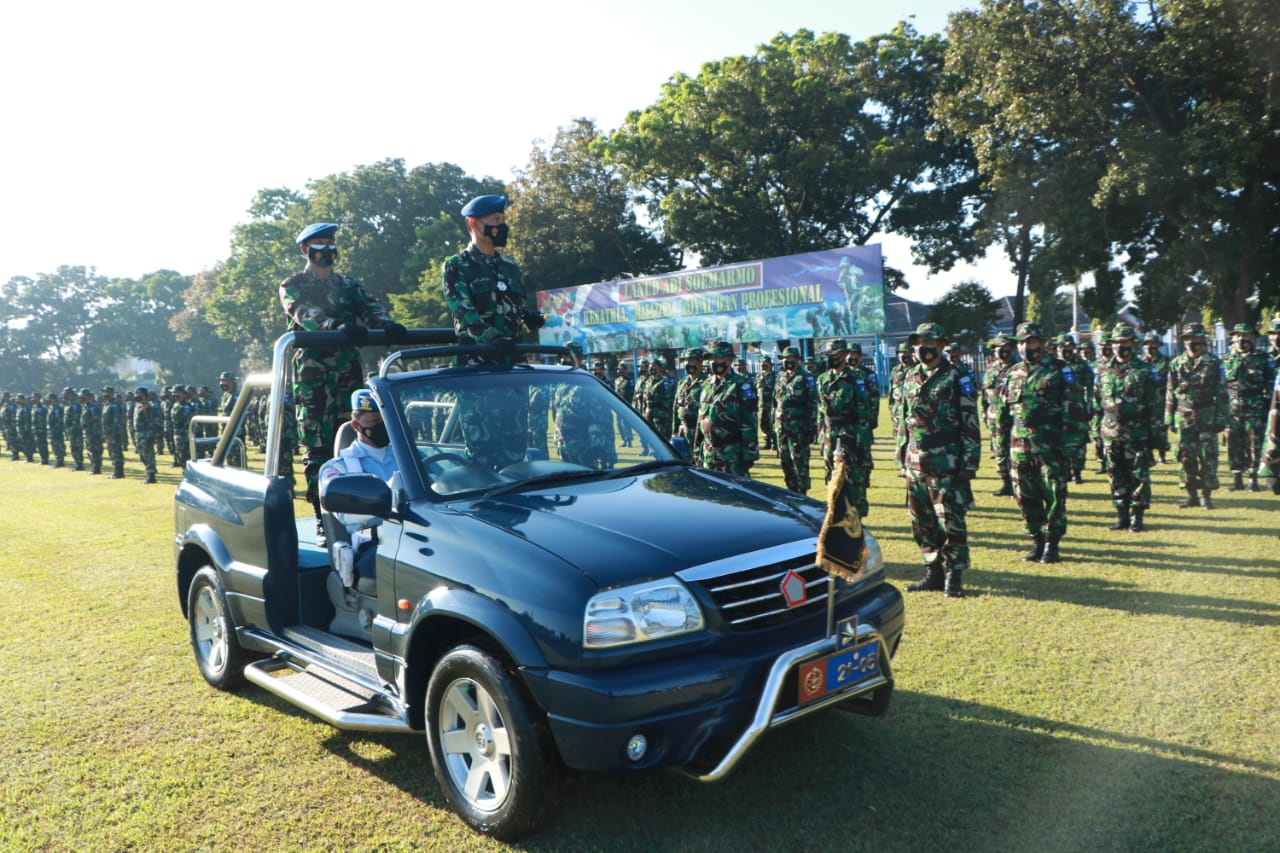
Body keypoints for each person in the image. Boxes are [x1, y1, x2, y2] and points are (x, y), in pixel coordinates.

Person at [281, 222, 407, 538]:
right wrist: (336, 326)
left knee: (355, 441)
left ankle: (361, 512)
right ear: (305, 250)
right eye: (319, 244)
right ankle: (324, 518)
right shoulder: (293, 284)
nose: (326, 249)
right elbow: (305, 314)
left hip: (348, 372)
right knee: (318, 448)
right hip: (314, 378)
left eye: (329, 243)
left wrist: (387, 325)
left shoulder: (348, 285)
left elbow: (370, 309)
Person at [897, 322, 980, 598]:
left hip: (946, 461)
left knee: (950, 520)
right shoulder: (910, 376)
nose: (922, 347)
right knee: (921, 520)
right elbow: (904, 420)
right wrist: (901, 454)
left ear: (942, 345)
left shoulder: (958, 376)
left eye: (928, 342)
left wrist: (969, 463)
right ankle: (933, 571)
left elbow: (970, 421)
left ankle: (954, 576)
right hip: (915, 460)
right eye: (918, 342)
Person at [999, 322, 1084, 563]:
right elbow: (1005, 414)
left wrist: (1073, 448)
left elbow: (1075, 411)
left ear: (1043, 344)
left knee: (1055, 496)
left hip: (1051, 447)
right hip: (1019, 448)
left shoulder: (1060, 371)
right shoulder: (1013, 373)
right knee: (1025, 497)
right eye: (1023, 343)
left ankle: (1052, 544)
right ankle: (1036, 540)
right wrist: (1003, 447)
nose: (1027, 347)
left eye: (1032, 342)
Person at [319, 390, 399, 594]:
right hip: (373, 543)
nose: (381, 426)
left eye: (384, 420)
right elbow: (347, 516)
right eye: (374, 422)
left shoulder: (406, 458)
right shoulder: (338, 468)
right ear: (356, 426)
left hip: (416, 535)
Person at [442, 195, 544, 348]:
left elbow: (518, 310)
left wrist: (530, 318)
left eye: (503, 220)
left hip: (513, 359)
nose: (502, 226)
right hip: (476, 362)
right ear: (473, 223)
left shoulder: (511, 268)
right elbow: (464, 313)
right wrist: (491, 338)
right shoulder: (457, 266)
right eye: (496, 220)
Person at [1096, 325, 1162, 531]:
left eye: (1124, 342)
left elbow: (1155, 403)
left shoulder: (1144, 370)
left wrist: (1156, 434)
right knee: (1115, 474)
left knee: (1138, 475)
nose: (1119, 346)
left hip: (1137, 431)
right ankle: (1122, 515)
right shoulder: (1102, 370)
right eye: (1116, 343)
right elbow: (1096, 401)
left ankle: (1137, 517)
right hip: (1110, 431)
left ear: (1133, 344)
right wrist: (1096, 430)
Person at [1166, 322, 1228, 508]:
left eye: (1196, 338)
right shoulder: (1176, 363)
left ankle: (1206, 496)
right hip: (1183, 416)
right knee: (1185, 457)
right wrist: (1168, 417)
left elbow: (1222, 392)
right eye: (1188, 339)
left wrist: (1222, 418)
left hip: (1207, 414)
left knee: (1208, 457)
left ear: (1203, 339)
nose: (1192, 342)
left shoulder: (1214, 363)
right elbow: (1170, 392)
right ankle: (1191, 495)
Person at [817, 339, 872, 517]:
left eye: (834, 354)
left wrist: (862, 444)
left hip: (850, 436)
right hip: (829, 436)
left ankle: (857, 518)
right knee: (832, 478)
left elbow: (864, 412)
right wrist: (821, 438)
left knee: (854, 479)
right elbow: (821, 411)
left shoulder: (856, 379)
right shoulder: (822, 379)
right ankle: (838, 515)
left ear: (844, 355)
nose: (830, 358)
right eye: (828, 355)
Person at [1223, 323, 1275, 492]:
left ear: (1253, 337)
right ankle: (1237, 479)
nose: (1242, 339)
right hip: (1232, 408)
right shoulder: (1226, 359)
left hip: (1255, 407)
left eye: (1246, 336)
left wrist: (1267, 406)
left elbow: (1270, 383)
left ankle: (1253, 479)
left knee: (1254, 443)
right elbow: (1220, 386)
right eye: (1238, 336)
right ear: (1233, 338)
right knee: (1233, 443)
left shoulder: (1263, 359)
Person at [697, 341, 759, 475]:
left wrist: (749, 454)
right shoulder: (707, 385)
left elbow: (750, 421)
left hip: (732, 454)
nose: (714, 362)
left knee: (735, 492)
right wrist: (698, 448)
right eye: (712, 359)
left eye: (719, 358)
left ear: (730, 360)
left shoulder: (741, 385)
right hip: (709, 452)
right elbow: (701, 417)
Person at [773, 346, 817, 493]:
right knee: (785, 461)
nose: (787, 361)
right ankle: (790, 489)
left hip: (799, 428)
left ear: (798, 360)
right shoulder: (780, 378)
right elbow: (775, 403)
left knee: (800, 461)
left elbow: (812, 404)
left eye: (790, 358)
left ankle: (802, 491)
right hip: (782, 428)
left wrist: (810, 428)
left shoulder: (806, 378)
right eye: (785, 359)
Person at [981, 334, 1016, 496]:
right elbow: (984, 394)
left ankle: (1020, 484)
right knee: (999, 452)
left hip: (1014, 419)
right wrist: (984, 413)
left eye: (1006, 347)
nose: (1002, 351)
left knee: (1016, 453)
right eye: (998, 348)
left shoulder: (1018, 368)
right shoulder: (991, 369)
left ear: (1012, 349)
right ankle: (1006, 484)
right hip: (995, 418)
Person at [1140, 332, 1171, 463]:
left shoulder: (1165, 361)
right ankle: (1149, 455)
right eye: (1147, 344)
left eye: (1152, 344)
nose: (1149, 346)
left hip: (1160, 401)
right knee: (1145, 429)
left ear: (1158, 345)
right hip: (1143, 401)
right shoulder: (1139, 361)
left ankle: (1162, 454)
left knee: (1160, 429)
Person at [673, 347, 707, 450]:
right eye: (687, 361)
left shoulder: (707, 383)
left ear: (700, 362)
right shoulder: (682, 383)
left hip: (698, 431)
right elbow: (675, 408)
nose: (688, 364)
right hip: (682, 430)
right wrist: (674, 431)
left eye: (691, 360)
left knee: (697, 462)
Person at [133, 387, 162, 484]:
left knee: (148, 454)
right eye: (137, 394)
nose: (138, 395)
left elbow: (151, 420)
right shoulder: (137, 405)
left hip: (146, 433)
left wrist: (151, 434)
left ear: (145, 395)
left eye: (140, 394)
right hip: (139, 433)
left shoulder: (147, 406)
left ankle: (151, 475)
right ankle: (149, 472)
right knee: (142, 455)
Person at [102, 386, 127, 479]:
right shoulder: (107, 404)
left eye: (107, 392)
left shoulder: (115, 405)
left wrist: (115, 432)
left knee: (116, 451)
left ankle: (119, 471)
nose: (105, 394)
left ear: (112, 394)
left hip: (114, 432)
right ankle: (116, 470)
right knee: (112, 452)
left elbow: (118, 419)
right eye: (104, 392)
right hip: (108, 433)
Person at [758, 356, 778, 452]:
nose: (763, 365)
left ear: (770, 364)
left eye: (766, 363)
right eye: (762, 363)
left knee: (771, 423)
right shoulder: (759, 376)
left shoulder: (774, 376)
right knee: (763, 423)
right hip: (761, 404)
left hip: (771, 403)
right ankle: (767, 442)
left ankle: (774, 443)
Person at [81, 389, 103, 475]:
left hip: (93, 433)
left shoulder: (93, 406)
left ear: (88, 396)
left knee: (95, 450)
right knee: (90, 450)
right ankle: (94, 467)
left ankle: (96, 468)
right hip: (87, 432)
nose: (81, 398)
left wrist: (94, 432)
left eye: (83, 396)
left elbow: (96, 419)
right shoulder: (85, 406)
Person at [47, 392, 66, 468]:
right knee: (54, 445)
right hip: (52, 429)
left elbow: (58, 420)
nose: (48, 400)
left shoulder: (57, 408)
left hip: (57, 430)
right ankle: (58, 460)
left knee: (58, 445)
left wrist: (57, 430)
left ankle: (60, 461)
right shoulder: (51, 407)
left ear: (53, 399)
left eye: (49, 398)